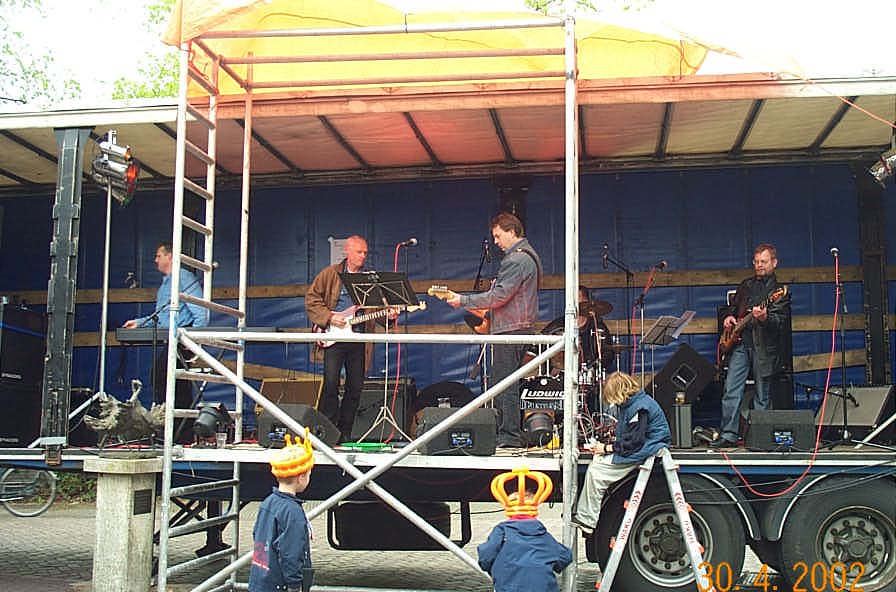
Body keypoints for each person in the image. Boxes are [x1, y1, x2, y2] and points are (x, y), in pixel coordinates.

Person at [446, 212, 542, 448]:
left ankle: (509, 435)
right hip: (520, 326)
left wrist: (463, 300)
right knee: (506, 382)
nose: (496, 242)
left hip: (511, 330)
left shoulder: (515, 260)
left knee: (503, 384)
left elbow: (499, 296)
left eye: (498, 236)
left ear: (512, 232)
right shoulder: (530, 256)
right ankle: (509, 433)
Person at [305, 235, 394, 443]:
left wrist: (388, 316)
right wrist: (329, 317)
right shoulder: (330, 274)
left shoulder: (369, 279)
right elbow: (311, 299)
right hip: (334, 337)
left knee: (355, 387)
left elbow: (376, 311)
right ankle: (328, 432)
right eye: (359, 252)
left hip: (358, 338)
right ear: (348, 251)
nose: (363, 256)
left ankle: (345, 433)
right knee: (331, 384)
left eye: (365, 252)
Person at [123, 242, 208, 437]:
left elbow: (201, 312)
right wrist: (139, 323)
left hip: (182, 338)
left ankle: (174, 429)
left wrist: (193, 341)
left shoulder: (183, 278)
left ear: (169, 256)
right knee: (175, 381)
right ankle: (179, 432)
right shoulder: (166, 284)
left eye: (158, 256)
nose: (155, 260)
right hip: (173, 337)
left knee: (164, 377)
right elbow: (162, 318)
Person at [572, 371, 671, 535]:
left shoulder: (639, 408)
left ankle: (587, 520)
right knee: (598, 461)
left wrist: (606, 448)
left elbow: (634, 442)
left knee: (596, 473)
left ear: (618, 392)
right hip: (648, 445)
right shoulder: (636, 403)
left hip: (649, 448)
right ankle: (586, 515)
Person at [712, 243, 791, 448]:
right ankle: (728, 435)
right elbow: (729, 308)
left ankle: (760, 438)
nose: (759, 265)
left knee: (762, 394)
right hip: (740, 345)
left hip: (764, 349)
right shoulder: (745, 285)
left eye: (763, 261)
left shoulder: (778, 292)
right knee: (731, 389)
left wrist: (764, 318)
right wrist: (728, 317)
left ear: (774, 263)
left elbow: (779, 323)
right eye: (756, 262)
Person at [477, 467, 572, 592]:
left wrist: (498, 568)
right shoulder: (542, 534)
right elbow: (565, 557)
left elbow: (485, 557)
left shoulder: (501, 531)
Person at [249, 430, 315, 592]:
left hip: (260, 580)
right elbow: (291, 552)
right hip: (280, 585)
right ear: (301, 477)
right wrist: (295, 584)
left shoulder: (268, 502)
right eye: (309, 474)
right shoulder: (293, 511)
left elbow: (257, 534)